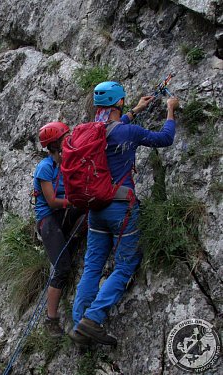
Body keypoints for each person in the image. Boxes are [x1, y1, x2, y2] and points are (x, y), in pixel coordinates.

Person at [70, 81, 179, 345]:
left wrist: (136, 110)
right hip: (121, 208)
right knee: (125, 264)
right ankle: (92, 320)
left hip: (95, 208)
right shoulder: (128, 133)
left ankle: (77, 324)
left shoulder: (86, 132)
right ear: (118, 102)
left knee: (92, 266)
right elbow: (164, 139)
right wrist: (170, 111)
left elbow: (109, 130)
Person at [33, 122, 86, 337]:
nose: (68, 140)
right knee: (63, 267)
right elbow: (52, 201)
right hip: (48, 219)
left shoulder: (67, 161)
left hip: (64, 213)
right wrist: (74, 201)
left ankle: (72, 241)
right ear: (54, 144)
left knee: (90, 212)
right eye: (64, 138)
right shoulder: (45, 167)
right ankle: (51, 320)